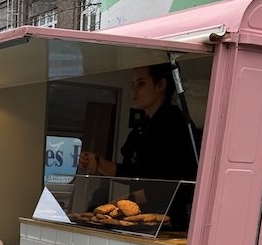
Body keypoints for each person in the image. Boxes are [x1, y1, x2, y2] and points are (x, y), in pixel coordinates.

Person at [78, 63, 199, 227]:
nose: (134, 90)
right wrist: (98, 162)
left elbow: (164, 187)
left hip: (168, 221)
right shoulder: (141, 130)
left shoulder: (176, 127)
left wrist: (117, 204)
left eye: (141, 84)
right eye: (133, 85)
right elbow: (131, 172)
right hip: (141, 219)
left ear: (161, 85)